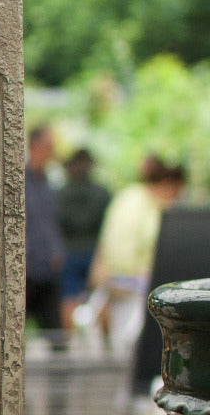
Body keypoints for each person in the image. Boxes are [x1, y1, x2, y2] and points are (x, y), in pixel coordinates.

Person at [89, 155, 187, 355]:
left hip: (112, 281)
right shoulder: (151, 207)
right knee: (132, 349)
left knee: (119, 349)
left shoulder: (127, 195)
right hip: (132, 286)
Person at [56, 147, 111, 328]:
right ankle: (105, 346)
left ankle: (70, 344)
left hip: (69, 251)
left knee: (70, 298)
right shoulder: (102, 194)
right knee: (101, 298)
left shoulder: (61, 194)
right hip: (93, 252)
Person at [25, 124, 65, 334]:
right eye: (48, 146)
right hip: (28, 271)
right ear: (35, 146)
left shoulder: (47, 182)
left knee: (55, 333)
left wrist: (56, 252)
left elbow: (50, 223)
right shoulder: (22, 181)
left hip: (48, 270)